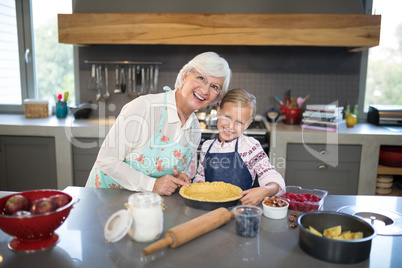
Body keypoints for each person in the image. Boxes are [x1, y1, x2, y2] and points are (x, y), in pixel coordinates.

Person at [86, 52, 232, 195]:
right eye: (201, 78)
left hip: (145, 206)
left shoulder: (195, 129)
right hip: (105, 200)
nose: (205, 90)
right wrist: (152, 185)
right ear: (185, 75)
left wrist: (177, 178)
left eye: (215, 87)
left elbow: (179, 171)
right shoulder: (145, 108)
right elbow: (107, 160)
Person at [193, 88, 285, 205]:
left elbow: (273, 178)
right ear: (218, 112)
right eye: (227, 117)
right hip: (210, 209)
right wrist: (198, 184)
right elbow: (200, 177)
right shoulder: (207, 147)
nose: (231, 126)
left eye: (239, 122)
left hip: (240, 210)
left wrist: (265, 191)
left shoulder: (250, 147)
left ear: (247, 125)